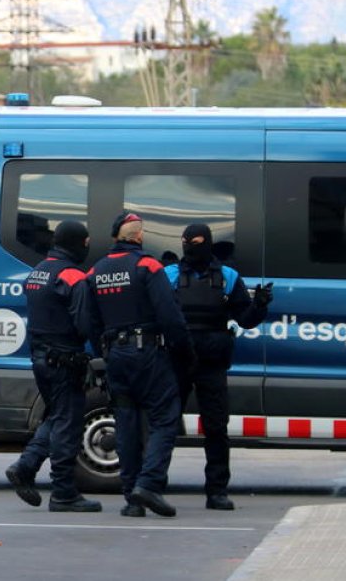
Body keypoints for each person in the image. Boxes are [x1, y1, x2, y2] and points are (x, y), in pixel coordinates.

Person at [85, 212, 192, 518]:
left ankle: (132, 497)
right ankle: (150, 484)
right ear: (139, 236)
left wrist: (103, 354)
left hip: (115, 356)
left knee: (127, 424)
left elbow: (90, 320)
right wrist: (184, 352)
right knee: (165, 418)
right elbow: (170, 316)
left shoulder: (96, 271)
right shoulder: (148, 266)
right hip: (148, 355)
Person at [164, 224, 272, 511]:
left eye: (197, 241)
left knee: (216, 428)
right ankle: (152, 485)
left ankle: (217, 491)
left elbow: (245, 318)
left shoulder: (227, 276)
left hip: (212, 362)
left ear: (209, 243)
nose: (191, 245)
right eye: (187, 241)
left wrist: (259, 305)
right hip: (178, 359)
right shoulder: (170, 274)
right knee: (164, 425)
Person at [5, 220, 102, 513]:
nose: (87, 247)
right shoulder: (72, 276)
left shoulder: (38, 272)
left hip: (40, 358)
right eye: (85, 243)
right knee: (67, 424)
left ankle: (25, 466)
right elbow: (85, 323)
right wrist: (101, 355)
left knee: (57, 416)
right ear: (76, 242)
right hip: (64, 359)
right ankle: (63, 492)